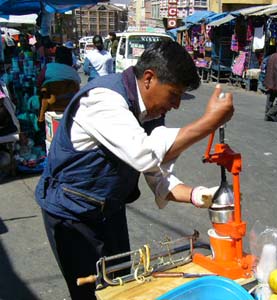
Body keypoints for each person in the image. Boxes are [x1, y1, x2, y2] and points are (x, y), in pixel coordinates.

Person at [34, 40, 234, 300]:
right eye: (174, 95)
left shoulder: (149, 112)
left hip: (109, 210)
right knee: (91, 294)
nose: (176, 106)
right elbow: (144, 156)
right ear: (149, 78)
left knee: (123, 286)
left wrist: (201, 196)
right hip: (72, 214)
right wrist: (208, 123)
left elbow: (157, 173)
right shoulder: (103, 99)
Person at [36, 46, 81, 122]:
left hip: (50, 105)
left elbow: (38, 84)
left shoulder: (48, 67)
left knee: (31, 102)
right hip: (69, 106)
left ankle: (38, 122)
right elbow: (77, 86)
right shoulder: (74, 72)